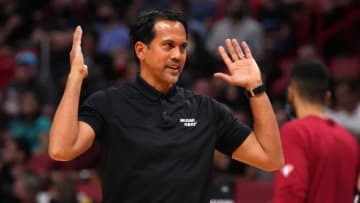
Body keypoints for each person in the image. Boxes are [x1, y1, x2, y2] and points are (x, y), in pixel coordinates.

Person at [48, 9, 284, 202]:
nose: (178, 55)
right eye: (168, 45)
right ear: (141, 50)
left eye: (183, 47)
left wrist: (256, 89)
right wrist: (75, 79)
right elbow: (61, 149)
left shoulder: (206, 110)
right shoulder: (108, 103)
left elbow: (270, 158)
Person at [273, 59, 359, 203]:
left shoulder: (295, 131)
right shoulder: (349, 139)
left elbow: (291, 192)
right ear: (327, 97)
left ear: (291, 93)